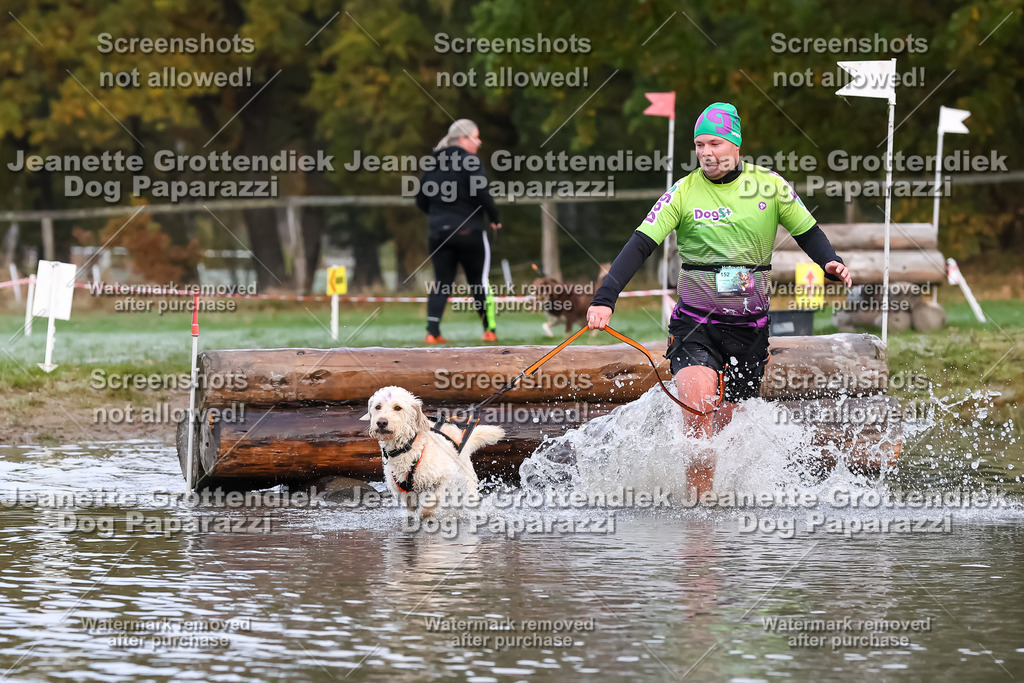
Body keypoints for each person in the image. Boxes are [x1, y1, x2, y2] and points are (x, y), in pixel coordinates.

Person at [587, 102, 852, 497]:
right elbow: (640, 245)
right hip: (696, 325)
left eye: (715, 143)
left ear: (736, 145)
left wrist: (830, 262)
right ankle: (701, 510)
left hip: (750, 329)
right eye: (699, 144)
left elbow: (808, 232)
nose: (706, 152)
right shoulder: (684, 191)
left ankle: (728, 500)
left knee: (729, 426)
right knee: (697, 408)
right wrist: (605, 297)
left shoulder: (770, 186)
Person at [415, 119, 502, 344]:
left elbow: (421, 199)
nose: (479, 141)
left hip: (438, 233)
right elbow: (482, 192)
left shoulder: (433, 163)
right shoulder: (470, 161)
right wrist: (494, 217)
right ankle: (489, 330)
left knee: (442, 281)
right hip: (469, 231)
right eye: (475, 136)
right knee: (478, 281)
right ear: (463, 139)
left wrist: (438, 218)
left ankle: (432, 332)